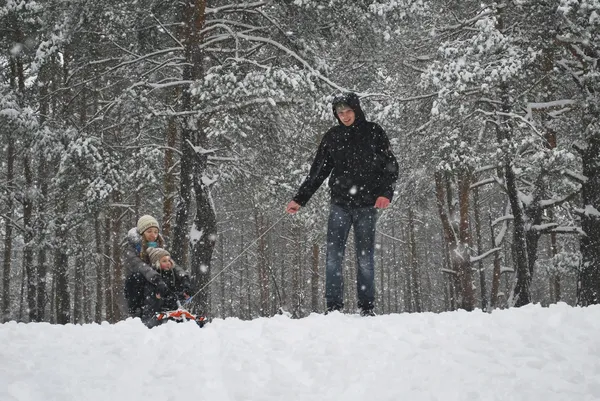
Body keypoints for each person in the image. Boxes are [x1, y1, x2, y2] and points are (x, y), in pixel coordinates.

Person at [286, 92, 398, 316]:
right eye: (340, 112)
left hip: (367, 205)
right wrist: (300, 199)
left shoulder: (374, 132)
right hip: (340, 205)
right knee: (333, 256)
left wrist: (386, 193)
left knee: (365, 257)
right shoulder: (332, 137)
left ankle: (367, 307)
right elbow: (318, 172)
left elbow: (390, 165)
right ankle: (334, 307)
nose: (344, 116)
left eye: (348, 111)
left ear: (356, 110)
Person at [123, 215, 191, 325]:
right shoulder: (132, 250)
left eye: (155, 232)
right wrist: (157, 278)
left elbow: (171, 263)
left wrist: (184, 277)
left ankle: (172, 308)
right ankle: (141, 313)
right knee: (138, 278)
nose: (153, 235)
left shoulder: (159, 247)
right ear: (142, 233)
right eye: (149, 231)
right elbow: (141, 267)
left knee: (169, 272)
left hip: (158, 282)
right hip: (141, 287)